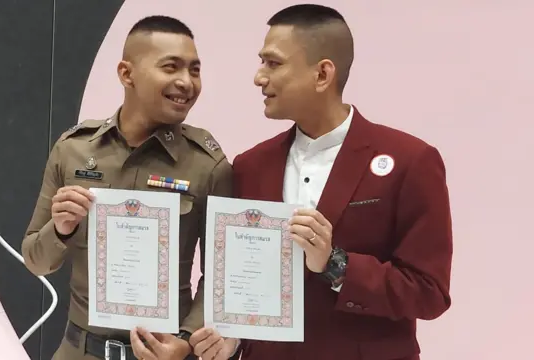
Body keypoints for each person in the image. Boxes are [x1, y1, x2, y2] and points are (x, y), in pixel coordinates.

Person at [189, 4, 453, 360]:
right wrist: (232, 339)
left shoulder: (410, 161)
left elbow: (430, 292)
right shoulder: (250, 166)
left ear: (322, 73)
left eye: (273, 63)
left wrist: (335, 263)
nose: (259, 77)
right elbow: (248, 286)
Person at [21, 15, 233, 360]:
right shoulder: (74, 149)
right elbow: (35, 261)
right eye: (171, 67)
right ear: (126, 73)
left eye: (194, 70)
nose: (186, 82)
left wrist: (186, 338)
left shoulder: (207, 165)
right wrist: (59, 229)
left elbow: (220, 278)